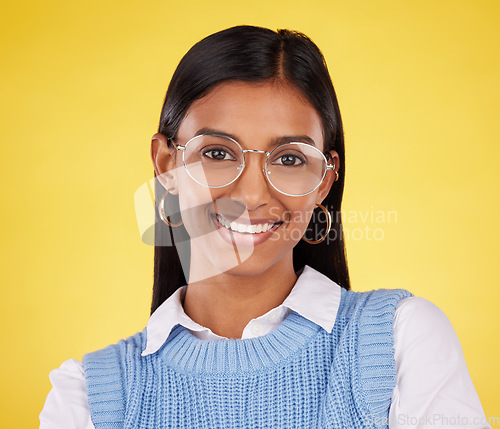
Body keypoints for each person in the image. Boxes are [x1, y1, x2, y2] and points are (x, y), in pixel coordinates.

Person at [40, 25, 490, 429]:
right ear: (165, 167)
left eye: (290, 159)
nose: (252, 195)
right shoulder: (89, 399)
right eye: (216, 153)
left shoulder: (400, 342)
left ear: (324, 183)